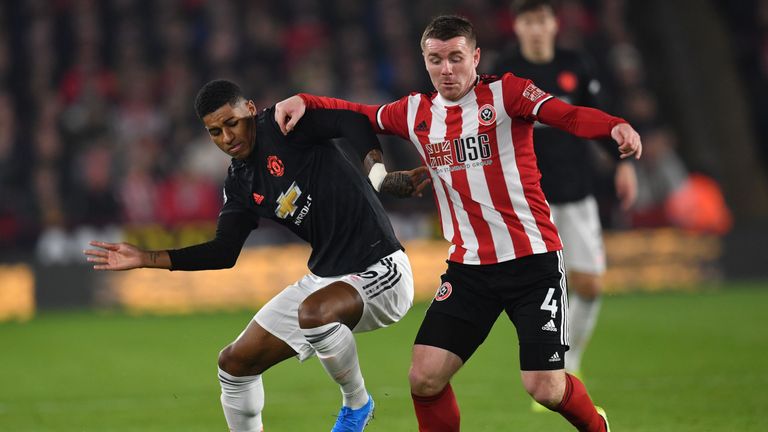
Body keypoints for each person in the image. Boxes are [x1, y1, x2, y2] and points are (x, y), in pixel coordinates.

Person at [275, 15, 641, 432]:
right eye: (436, 60)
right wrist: (303, 100)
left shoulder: (508, 94)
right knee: (425, 377)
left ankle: (598, 427)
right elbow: (359, 114)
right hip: (469, 270)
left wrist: (615, 126)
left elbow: (567, 115)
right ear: (425, 60)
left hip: (531, 262)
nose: (446, 70)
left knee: (545, 388)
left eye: (455, 58)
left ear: (475, 57)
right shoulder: (416, 111)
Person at [83, 79, 430, 432]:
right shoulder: (240, 183)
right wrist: (146, 258)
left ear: (249, 109)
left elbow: (350, 122)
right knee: (234, 365)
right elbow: (223, 251)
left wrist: (378, 176)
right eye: (215, 132)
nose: (227, 138)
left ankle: (357, 405)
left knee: (313, 313)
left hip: (382, 268)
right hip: (326, 278)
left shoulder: (285, 125)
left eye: (231, 123)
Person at [493, 0, 638, 396]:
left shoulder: (577, 64)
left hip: (576, 193)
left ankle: (569, 362)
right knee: (530, 290)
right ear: (517, 26)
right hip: (524, 199)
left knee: (589, 285)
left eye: (542, 20)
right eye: (528, 21)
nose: (536, 29)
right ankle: (546, 369)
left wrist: (622, 163)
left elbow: (598, 116)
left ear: (554, 24)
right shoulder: (504, 73)